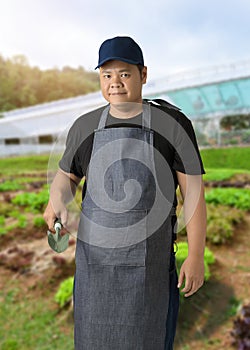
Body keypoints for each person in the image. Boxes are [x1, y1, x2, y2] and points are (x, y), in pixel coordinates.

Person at [43, 36, 207, 350]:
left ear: (143, 74)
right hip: (95, 271)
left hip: (150, 271)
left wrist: (196, 254)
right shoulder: (85, 126)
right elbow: (66, 175)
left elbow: (195, 195)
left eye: (125, 74)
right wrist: (56, 199)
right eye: (107, 75)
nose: (115, 83)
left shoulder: (172, 124)